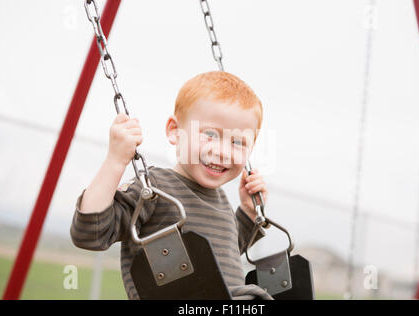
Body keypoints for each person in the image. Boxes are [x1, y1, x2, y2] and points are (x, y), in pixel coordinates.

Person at [70, 71, 272, 300]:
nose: (222, 151)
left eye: (238, 142)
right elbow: (90, 234)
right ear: (174, 130)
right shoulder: (156, 188)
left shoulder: (221, 200)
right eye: (210, 134)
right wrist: (115, 161)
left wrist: (247, 211)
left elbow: (224, 258)